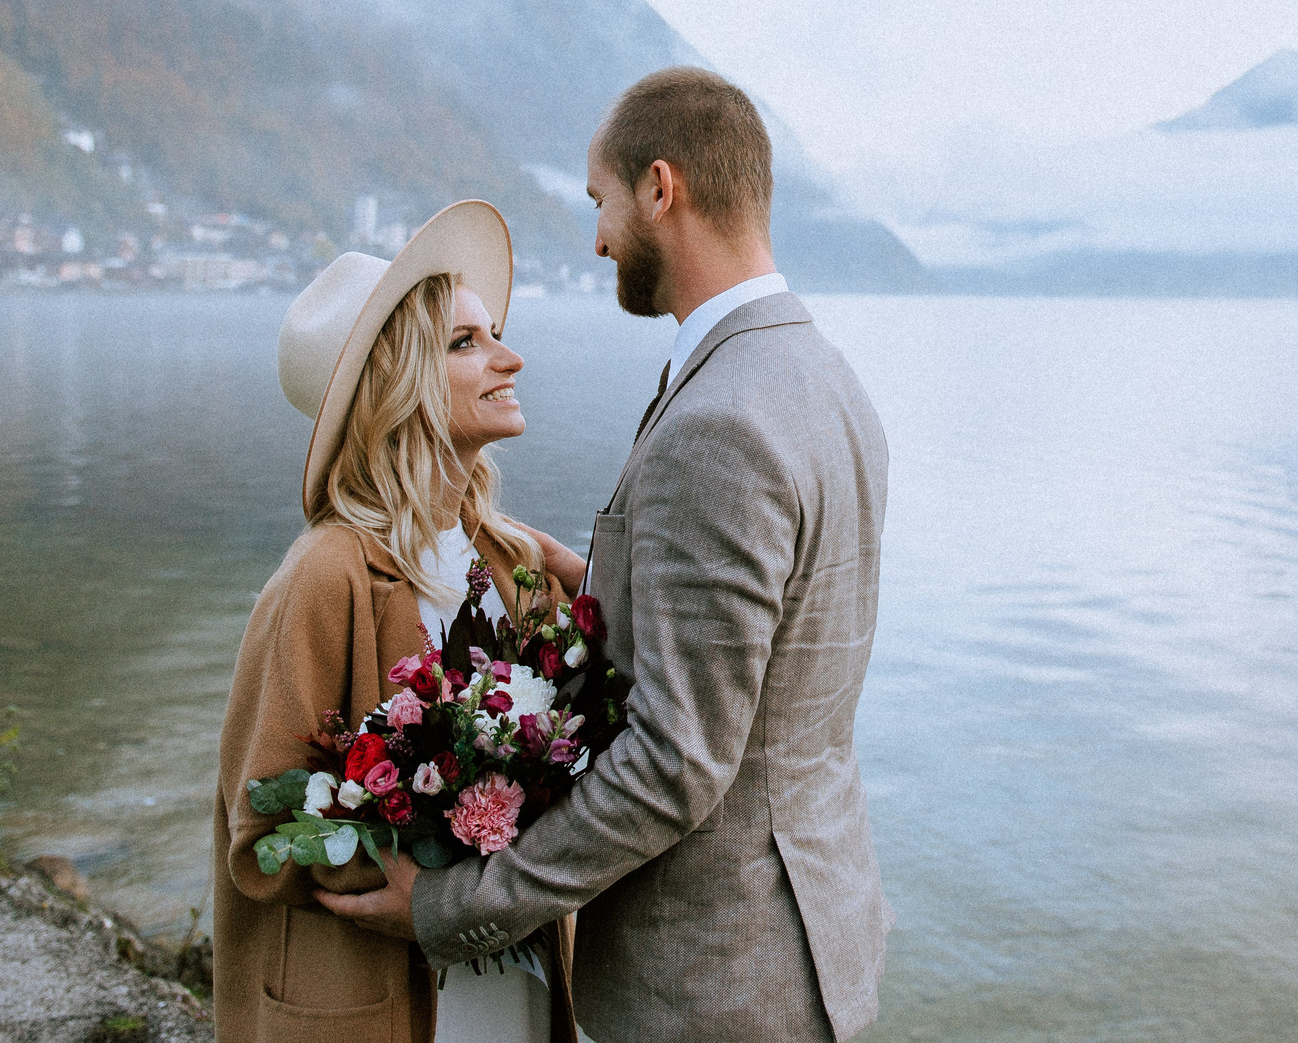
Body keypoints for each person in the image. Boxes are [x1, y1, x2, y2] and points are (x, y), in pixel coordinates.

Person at [320, 68, 895, 1042]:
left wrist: (451, 910)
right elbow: (772, 635)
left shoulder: (717, 423)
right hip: (818, 930)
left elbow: (675, 761)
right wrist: (606, 582)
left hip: (717, 979)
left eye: (600, 201)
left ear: (660, 188)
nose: (594, 238)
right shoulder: (826, 381)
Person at [212, 199, 590, 1043]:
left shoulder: (514, 558)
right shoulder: (324, 574)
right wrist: (440, 841)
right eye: (467, 343)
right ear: (400, 384)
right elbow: (262, 834)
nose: (510, 356)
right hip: (381, 1001)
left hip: (517, 981)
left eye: (494, 331)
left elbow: (586, 737)